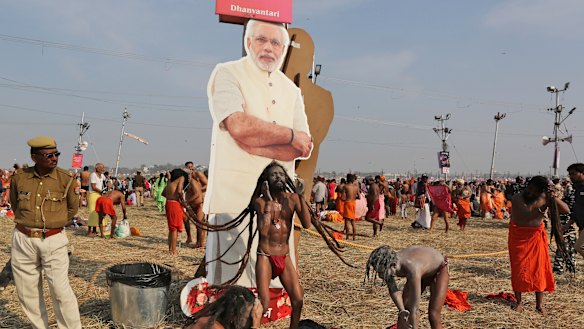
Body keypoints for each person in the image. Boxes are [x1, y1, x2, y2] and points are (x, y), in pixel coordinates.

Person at [204, 18, 312, 290]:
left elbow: (305, 146)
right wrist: (287, 136)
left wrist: (253, 142)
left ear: (284, 49)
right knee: (230, 274)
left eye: (276, 42)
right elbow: (237, 125)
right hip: (234, 195)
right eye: (261, 40)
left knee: (277, 270)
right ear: (248, 42)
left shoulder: (291, 90)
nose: (268, 48)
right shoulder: (227, 73)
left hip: (279, 201)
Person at [9, 136, 81, 328]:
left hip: (53, 239)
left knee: (60, 290)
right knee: (27, 292)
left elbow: (72, 210)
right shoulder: (20, 177)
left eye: (56, 154)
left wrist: (53, 223)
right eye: (48, 155)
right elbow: (15, 205)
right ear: (34, 157)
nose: (54, 158)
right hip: (23, 239)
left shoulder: (66, 180)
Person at [254, 162, 311, 329]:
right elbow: (264, 232)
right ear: (266, 180)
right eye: (273, 175)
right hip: (265, 256)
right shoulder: (260, 202)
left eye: (280, 174)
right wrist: (270, 201)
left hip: (283, 256)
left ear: (286, 178)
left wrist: (301, 195)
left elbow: (307, 224)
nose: (278, 177)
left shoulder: (292, 199)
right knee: (263, 304)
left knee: (298, 299)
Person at [508, 175, 569, 314]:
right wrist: (545, 206)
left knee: (539, 270)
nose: (530, 192)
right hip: (518, 237)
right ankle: (519, 302)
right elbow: (526, 216)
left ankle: (539, 305)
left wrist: (552, 198)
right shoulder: (518, 198)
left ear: (540, 191)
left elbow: (566, 210)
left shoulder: (545, 198)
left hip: (536, 237)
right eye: (529, 188)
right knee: (518, 269)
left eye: (534, 190)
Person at [366, 245, 448, 329]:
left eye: (381, 272)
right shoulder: (387, 263)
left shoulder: (412, 270)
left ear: (393, 265)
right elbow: (393, 290)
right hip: (422, 267)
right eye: (378, 272)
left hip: (439, 269)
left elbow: (415, 309)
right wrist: (402, 311)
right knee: (406, 308)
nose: (380, 276)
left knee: (433, 314)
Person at [183, 285, 263, 329]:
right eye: (250, 318)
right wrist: (255, 325)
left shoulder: (212, 321)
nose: (251, 322)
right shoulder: (214, 327)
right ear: (233, 317)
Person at [163, 169, 189, 255]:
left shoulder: (170, 181)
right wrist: (182, 200)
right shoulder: (181, 178)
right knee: (174, 229)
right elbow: (179, 190)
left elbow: (163, 193)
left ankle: (171, 249)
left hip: (168, 203)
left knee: (171, 229)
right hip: (175, 204)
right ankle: (173, 250)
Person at [565, 163, 584, 259]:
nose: (571, 176)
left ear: (582, 173)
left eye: (573, 174)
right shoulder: (577, 189)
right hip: (581, 226)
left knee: (579, 247)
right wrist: (567, 225)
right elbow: (576, 210)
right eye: (570, 174)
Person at [87, 162, 106, 236]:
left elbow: (106, 181)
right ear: (97, 168)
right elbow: (94, 187)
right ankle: (89, 231)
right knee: (92, 212)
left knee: (99, 212)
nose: (103, 169)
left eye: (103, 168)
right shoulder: (93, 175)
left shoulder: (102, 175)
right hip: (93, 194)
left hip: (99, 195)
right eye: (101, 168)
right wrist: (102, 191)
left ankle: (94, 230)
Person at [342, 173, 360, 240]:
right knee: (353, 220)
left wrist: (344, 199)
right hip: (353, 203)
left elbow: (342, 197)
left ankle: (347, 236)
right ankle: (354, 237)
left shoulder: (346, 186)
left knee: (347, 220)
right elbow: (359, 197)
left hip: (347, 203)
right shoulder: (356, 187)